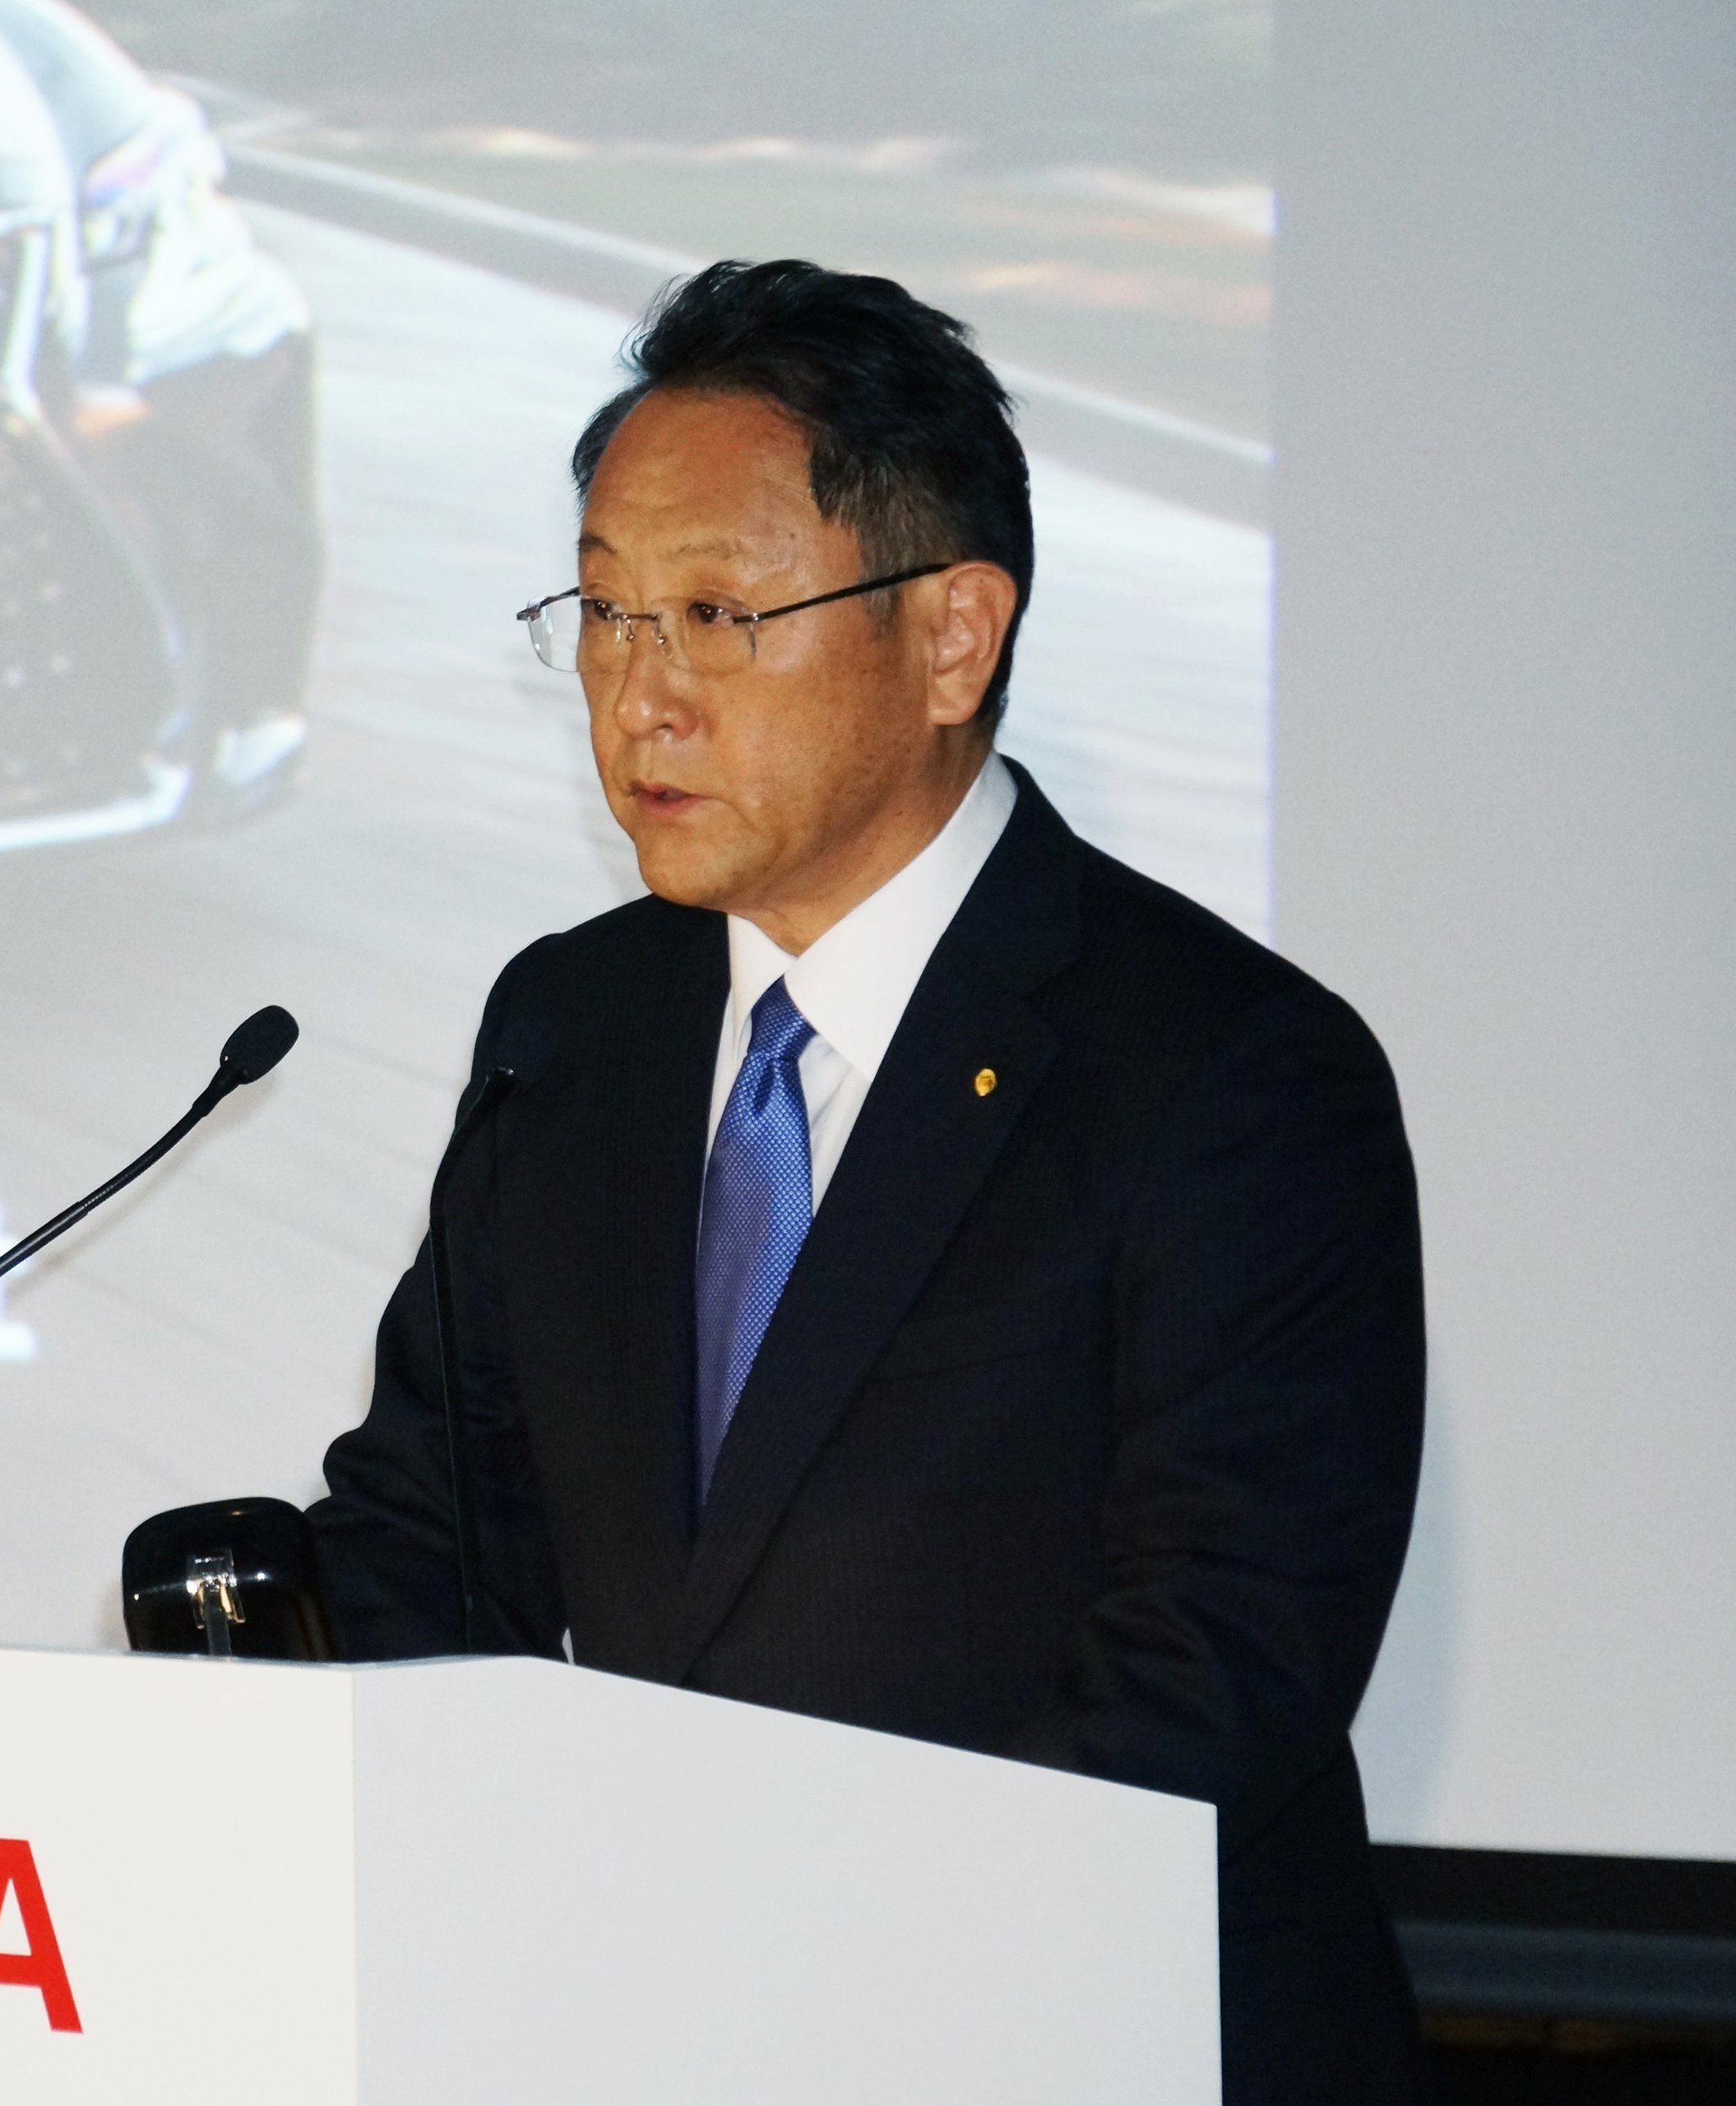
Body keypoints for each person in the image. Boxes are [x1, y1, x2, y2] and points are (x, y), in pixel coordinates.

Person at [308, 260, 1425, 2104]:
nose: (637, 696)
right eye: (597, 613)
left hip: (1076, 2048)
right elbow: (438, 1532)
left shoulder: (1228, 1071)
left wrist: (789, 1957)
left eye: (718, 615)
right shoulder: (576, 1027)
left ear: (951, 639)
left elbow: (1217, 1673)